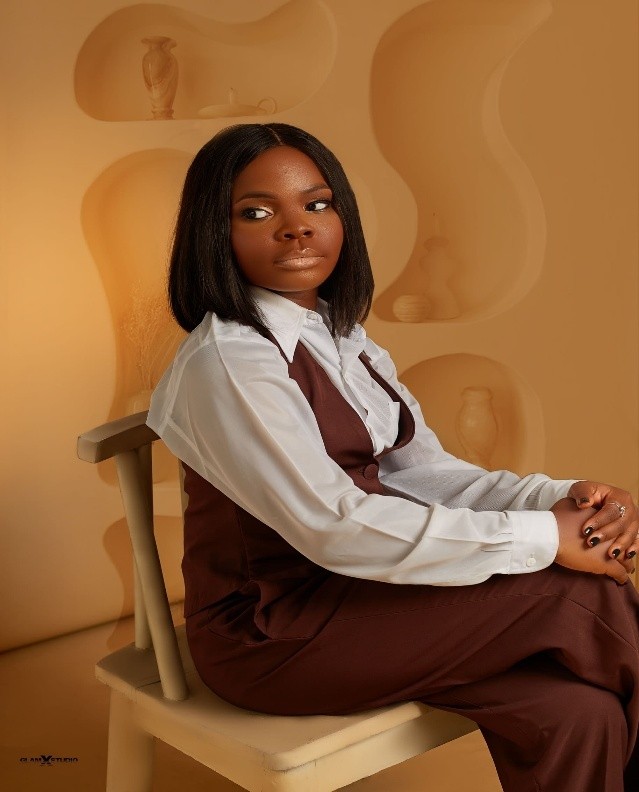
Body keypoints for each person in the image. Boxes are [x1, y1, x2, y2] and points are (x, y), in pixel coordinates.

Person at [147, 123, 639, 792]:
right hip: (271, 632)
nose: (297, 227)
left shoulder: (340, 337)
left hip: (368, 596)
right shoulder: (230, 362)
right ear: (215, 232)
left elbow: (422, 474)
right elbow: (334, 527)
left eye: (316, 204)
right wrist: (546, 539)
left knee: (578, 713)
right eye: (256, 213)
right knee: (575, 593)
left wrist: (562, 499)